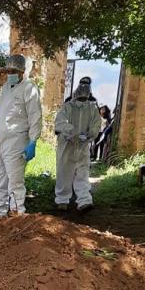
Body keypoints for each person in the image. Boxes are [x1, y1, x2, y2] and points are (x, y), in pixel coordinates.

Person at [0, 54, 42, 217]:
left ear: (22, 71)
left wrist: (33, 141)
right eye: (8, 70)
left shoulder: (29, 88)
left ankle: (17, 216)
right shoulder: (5, 89)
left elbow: (35, 116)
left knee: (15, 183)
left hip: (16, 143)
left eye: (13, 71)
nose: (10, 74)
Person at [54, 82, 102, 212]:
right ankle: (62, 200)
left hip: (83, 145)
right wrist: (72, 131)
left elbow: (96, 124)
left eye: (84, 99)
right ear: (75, 96)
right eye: (80, 99)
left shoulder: (92, 109)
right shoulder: (67, 107)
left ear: (88, 97)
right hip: (67, 145)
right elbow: (60, 122)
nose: (82, 101)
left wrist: (89, 134)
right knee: (64, 171)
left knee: (82, 172)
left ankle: (84, 200)